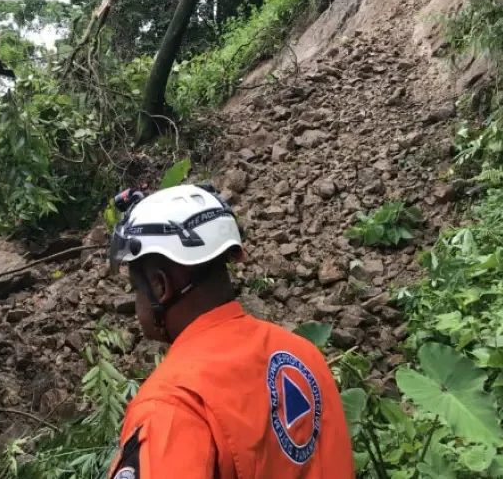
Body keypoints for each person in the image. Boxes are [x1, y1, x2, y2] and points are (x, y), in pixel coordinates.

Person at [105, 184, 355, 479]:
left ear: (161, 287)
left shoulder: (173, 404)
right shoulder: (302, 354)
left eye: (136, 289)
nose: (136, 304)